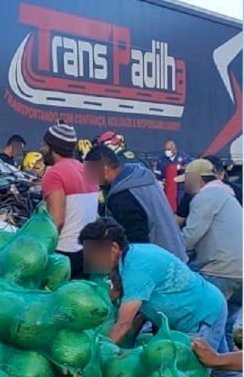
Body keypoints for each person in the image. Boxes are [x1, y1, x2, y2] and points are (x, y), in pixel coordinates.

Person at [79, 218, 227, 349]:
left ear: (113, 248)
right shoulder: (128, 260)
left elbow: (123, 324)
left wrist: (96, 353)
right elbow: (140, 313)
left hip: (201, 317)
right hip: (202, 309)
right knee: (223, 372)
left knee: (193, 373)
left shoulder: (138, 268)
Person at [177, 159, 243, 350]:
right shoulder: (227, 195)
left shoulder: (206, 197)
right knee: (225, 328)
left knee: (205, 330)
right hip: (238, 271)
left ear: (197, 179)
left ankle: (204, 376)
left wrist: (168, 250)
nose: (184, 184)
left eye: (186, 179)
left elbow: (191, 235)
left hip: (220, 270)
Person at [83, 145, 188, 262]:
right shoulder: (140, 178)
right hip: (174, 257)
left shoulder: (122, 197)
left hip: (158, 267)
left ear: (105, 169)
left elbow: (135, 246)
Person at [40, 121, 99, 278]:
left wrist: (42, 251)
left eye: (44, 145)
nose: (41, 149)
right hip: (92, 250)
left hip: (65, 253)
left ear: (53, 148)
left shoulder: (54, 174)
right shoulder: (88, 170)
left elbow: (56, 220)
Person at [157, 139, 193, 206]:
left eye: (169, 149)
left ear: (174, 149)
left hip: (181, 185)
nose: (167, 151)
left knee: (181, 203)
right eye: (166, 150)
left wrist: (180, 168)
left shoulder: (184, 157)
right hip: (168, 186)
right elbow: (158, 173)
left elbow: (191, 167)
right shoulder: (161, 159)